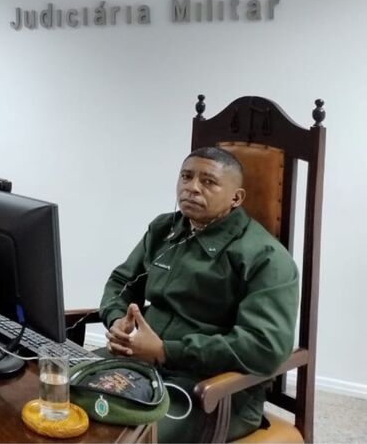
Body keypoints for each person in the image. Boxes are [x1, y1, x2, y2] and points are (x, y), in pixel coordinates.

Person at [99, 146, 299, 442]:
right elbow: (121, 282)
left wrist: (167, 351)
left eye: (208, 182)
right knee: (55, 394)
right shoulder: (164, 229)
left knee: (124, 437)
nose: (192, 188)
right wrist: (116, 320)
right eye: (186, 177)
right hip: (140, 365)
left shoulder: (266, 257)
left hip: (215, 393)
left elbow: (265, 346)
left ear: (236, 198)